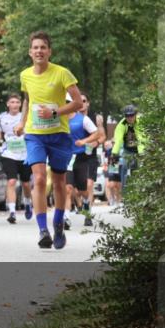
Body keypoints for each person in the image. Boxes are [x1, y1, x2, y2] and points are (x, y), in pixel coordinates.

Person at [15, 31, 83, 250]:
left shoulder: (62, 73)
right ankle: (43, 230)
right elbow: (27, 100)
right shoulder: (25, 75)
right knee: (39, 178)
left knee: (60, 181)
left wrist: (54, 113)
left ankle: (58, 223)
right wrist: (21, 122)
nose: (39, 51)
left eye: (43, 47)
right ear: (30, 52)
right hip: (35, 134)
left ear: (49, 51)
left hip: (59, 135)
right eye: (35, 48)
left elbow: (78, 103)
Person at [64, 94, 104, 228]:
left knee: (83, 190)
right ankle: (66, 218)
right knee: (68, 189)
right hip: (66, 157)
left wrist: (84, 141)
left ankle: (86, 203)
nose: (66, 105)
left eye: (68, 102)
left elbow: (98, 134)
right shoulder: (57, 117)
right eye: (63, 102)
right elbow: (46, 117)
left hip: (82, 158)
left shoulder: (84, 119)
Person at [0, 92, 33, 224]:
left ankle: (27, 203)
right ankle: (12, 212)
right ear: (7, 104)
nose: (15, 105)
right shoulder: (2, 117)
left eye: (17, 102)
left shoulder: (25, 117)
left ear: (21, 104)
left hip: (25, 154)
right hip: (8, 154)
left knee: (26, 183)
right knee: (11, 181)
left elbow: (32, 132)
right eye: (12, 102)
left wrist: (23, 133)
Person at [80, 94, 106, 217]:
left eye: (84, 101)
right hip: (76, 156)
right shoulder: (72, 117)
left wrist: (96, 143)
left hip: (90, 156)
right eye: (79, 101)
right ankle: (82, 203)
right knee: (77, 189)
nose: (81, 103)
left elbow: (103, 136)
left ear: (88, 103)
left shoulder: (95, 118)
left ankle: (88, 214)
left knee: (89, 184)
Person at [112, 104, 145, 190]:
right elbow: (118, 140)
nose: (130, 118)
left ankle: (139, 190)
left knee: (139, 170)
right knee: (124, 166)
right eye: (127, 116)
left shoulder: (140, 122)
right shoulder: (121, 124)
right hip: (128, 151)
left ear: (135, 115)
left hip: (139, 150)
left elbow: (142, 138)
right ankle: (124, 190)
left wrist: (142, 153)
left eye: (131, 115)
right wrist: (114, 153)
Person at [103, 140, 122, 205]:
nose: (113, 144)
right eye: (113, 143)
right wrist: (106, 165)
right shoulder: (109, 150)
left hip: (120, 166)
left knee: (118, 185)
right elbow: (106, 158)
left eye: (114, 143)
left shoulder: (120, 149)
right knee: (111, 184)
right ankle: (112, 198)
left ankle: (118, 200)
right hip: (113, 165)